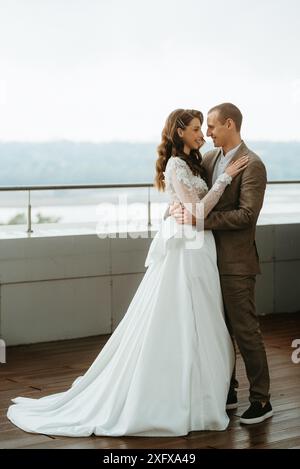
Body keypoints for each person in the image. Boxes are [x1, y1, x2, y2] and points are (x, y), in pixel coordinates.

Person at [7, 108, 248, 437]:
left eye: (203, 128)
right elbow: (198, 210)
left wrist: (176, 206)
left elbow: (189, 205)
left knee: (206, 319)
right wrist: (225, 178)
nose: (202, 134)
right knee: (181, 316)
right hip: (188, 248)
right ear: (179, 133)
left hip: (203, 247)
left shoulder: (196, 161)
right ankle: (182, 395)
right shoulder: (177, 164)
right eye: (195, 129)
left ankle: (206, 393)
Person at [169, 103, 272, 425]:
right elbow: (188, 195)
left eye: (212, 126)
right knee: (218, 330)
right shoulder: (209, 159)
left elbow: (246, 215)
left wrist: (202, 222)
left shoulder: (253, 164)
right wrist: (174, 209)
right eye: (204, 128)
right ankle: (228, 390)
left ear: (230, 124)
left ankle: (262, 400)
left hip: (237, 264)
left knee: (245, 331)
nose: (207, 133)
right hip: (207, 261)